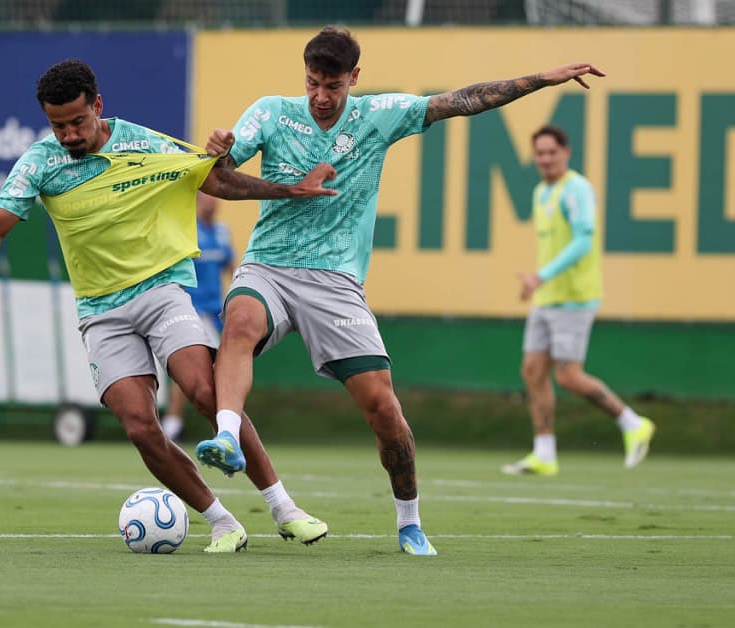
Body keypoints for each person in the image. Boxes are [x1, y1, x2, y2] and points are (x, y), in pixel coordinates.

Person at [202, 26, 607, 556]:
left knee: (383, 409)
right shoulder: (270, 113)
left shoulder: (378, 114)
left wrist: (541, 80)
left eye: (332, 86)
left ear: (354, 78)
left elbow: (462, 100)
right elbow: (216, 181)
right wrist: (219, 156)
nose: (321, 96)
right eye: (312, 83)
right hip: (269, 266)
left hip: (336, 281)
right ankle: (227, 436)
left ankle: (409, 521)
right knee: (239, 322)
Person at [0, 60, 336, 553]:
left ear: (98, 105)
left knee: (205, 391)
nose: (69, 134)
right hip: (102, 312)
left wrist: (290, 191)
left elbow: (214, 181)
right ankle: (223, 523)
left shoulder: (143, 142)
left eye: (77, 121)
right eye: (57, 126)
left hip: (162, 292)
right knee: (141, 428)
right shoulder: (40, 163)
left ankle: (284, 510)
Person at [502, 125, 655, 477]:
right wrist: (536, 283)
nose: (545, 159)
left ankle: (633, 423)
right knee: (532, 370)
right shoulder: (541, 192)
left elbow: (584, 241)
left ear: (566, 153)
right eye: (539, 153)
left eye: (551, 152)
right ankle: (544, 453)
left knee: (569, 376)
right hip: (546, 296)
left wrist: (541, 276)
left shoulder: (577, 190)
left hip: (574, 298)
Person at [162, 192, 234, 442]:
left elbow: (230, 265)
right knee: (206, 368)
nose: (212, 201)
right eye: (206, 197)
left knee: (204, 370)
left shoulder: (221, 232)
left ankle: (177, 424)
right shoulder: (188, 230)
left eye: (215, 197)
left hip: (216, 312)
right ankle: (218, 428)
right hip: (193, 310)